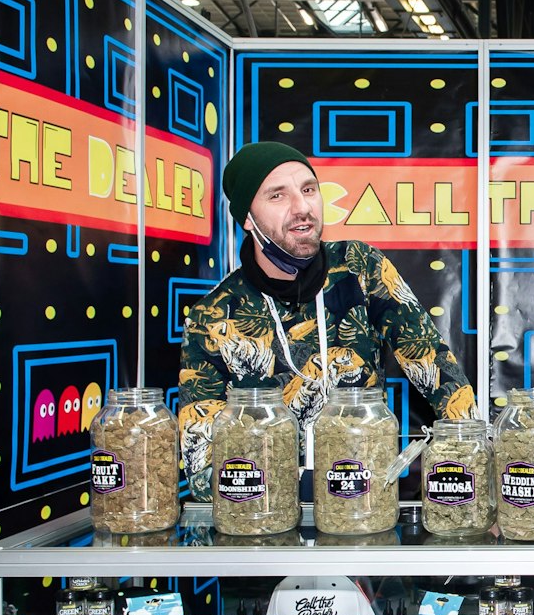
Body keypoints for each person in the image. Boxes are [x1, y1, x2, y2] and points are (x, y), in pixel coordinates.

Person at [179, 141, 475, 499]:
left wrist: (474, 462)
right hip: (266, 523)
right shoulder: (212, 317)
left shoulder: (359, 267)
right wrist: (296, 487)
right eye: (278, 196)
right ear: (247, 218)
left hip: (365, 510)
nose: (302, 208)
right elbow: (200, 467)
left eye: (308, 190)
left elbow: (435, 367)